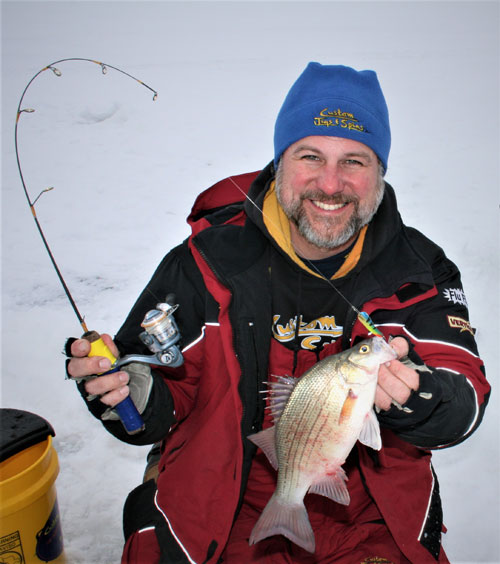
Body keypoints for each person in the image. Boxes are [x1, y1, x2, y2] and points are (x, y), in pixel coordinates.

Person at [66, 63, 490, 564]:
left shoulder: (418, 271)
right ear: (279, 162)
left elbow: (463, 394)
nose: (330, 185)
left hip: (368, 515)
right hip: (222, 499)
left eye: (354, 161)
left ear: (380, 173)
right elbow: (158, 388)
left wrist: (424, 399)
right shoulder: (206, 261)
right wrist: (129, 393)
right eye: (310, 156)